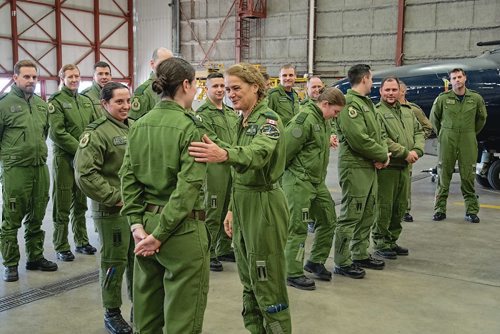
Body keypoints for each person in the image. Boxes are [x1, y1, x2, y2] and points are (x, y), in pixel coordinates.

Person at [188, 63, 292, 333]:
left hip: (264, 205)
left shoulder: (268, 120)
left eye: (236, 88)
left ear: (255, 88)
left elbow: (257, 154)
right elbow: (239, 177)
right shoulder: (241, 119)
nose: (230, 94)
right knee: (249, 278)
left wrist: (225, 155)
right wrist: (232, 209)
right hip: (244, 202)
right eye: (227, 88)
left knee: (266, 276)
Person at [119, 57, 209, 333]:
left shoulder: (139, 124)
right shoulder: (191, 127)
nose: (196, 90)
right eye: (195, 84)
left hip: (144, 229)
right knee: (182, 320)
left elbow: (128, 178)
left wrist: (136, 224)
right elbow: (186, 190)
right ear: (185, 84)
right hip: (180, 231)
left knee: (146, 318)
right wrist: (161, 235)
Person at [74, 82, 134, 334]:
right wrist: (113, 197)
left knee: (136, 259)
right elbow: (85, 174)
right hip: (111, 210)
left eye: (128, 101)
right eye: (119, 102)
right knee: (113, 261)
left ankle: (138, 305)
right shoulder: (97, 132)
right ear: (104, 104)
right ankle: (112, 312)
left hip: (133, 208)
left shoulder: (132, 126)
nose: (126, 106)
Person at [0, 60, 58, 282]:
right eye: (26, 77)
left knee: (37, 215)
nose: (31, 81)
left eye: (34, 77)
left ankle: (34, 257)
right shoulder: (4, 105)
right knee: (12, 217)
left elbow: (43, 134)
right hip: (16, 169)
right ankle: (10, 263)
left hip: (39, 167)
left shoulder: (42, 105)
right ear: (15, 78)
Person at [284, 87, 345, 291]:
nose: (335, 117)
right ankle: (292, 271)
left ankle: (315, 261)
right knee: (297, 227)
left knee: (328, 219)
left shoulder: (323, 121)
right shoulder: (304, 120)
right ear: (325, 104)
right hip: (299, 182)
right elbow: (284, 152)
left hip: (316, 182)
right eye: (335, 112)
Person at [333, 64, 389, 279]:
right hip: (355, 167)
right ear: (365, 78)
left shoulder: (368, 104)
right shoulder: (350, 105)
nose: (372, 82)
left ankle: (359, 253)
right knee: (351, 215)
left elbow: (378, 134)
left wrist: (382, 153)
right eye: (371, 78)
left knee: (367, 212)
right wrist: (382, 155)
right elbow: (358, 139)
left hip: (368, 166)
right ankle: (342, 261)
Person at [49, 64, 98, 261]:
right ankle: (61, 245)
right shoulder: (56, 102)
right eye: (70, 76)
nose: (74, 79)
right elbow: (57, 132)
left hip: (83, 160)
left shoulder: (85, 101)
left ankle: (81, 241)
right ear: (62, 78)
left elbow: (94, 126)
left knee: (80, 203)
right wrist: (81, 150)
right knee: (61, 204)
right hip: (65, 160)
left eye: (77, 76)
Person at [372, 77, 425, 260]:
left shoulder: (408, 111)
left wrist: (417, 150)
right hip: (388, 168)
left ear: (400, 91)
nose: (390, 93)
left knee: (400, 207)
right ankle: (380, 242)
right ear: (381, 92)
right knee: (384, 207)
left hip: (405, 168)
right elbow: (381, 138)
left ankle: (392, 240)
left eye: (394, 90)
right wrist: (405, 153)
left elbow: (419, 131)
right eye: (387, 90)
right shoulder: (376, 112)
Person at [430, 68, 487, 223]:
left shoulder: (475, 98)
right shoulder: (442, 98)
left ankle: (471, 211)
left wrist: (470, 133)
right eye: (454, 78)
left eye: (459, 77)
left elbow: (481, 119)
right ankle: (439, 210)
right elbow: (434, 119)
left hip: (468, 137)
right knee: (443, 173)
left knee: (468, 174)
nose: (457, 80)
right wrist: (443, 133)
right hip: (447, 137)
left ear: (465, 78)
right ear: (450, 81)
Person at [196, 72, 239, 272]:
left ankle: (223, 248)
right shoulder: (202, 114)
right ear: (207, 89)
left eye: (224, 86)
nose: (221, 90)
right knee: (213, 211)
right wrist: (231, 152)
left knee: (227, 210)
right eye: (216, 86)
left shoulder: (231, 113)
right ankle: (209, 251)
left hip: (230, 165)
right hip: (215, 170)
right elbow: (210, 139)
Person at [399, 80, 434, 223]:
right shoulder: (384, 109)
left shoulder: (413, 109)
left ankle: (405, 210)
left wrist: (415, 143)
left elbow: (427, 127)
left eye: (397, 90)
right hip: (391, 152)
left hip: (408, 152)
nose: (394, 93)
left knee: (406, 181)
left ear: (403, 91)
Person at [128, 47, 173, 120]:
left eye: (171, 64)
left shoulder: (176, 87)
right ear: (152, 64)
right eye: (163, 63)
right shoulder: (143, 93)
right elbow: (133, 122)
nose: (167, 67)